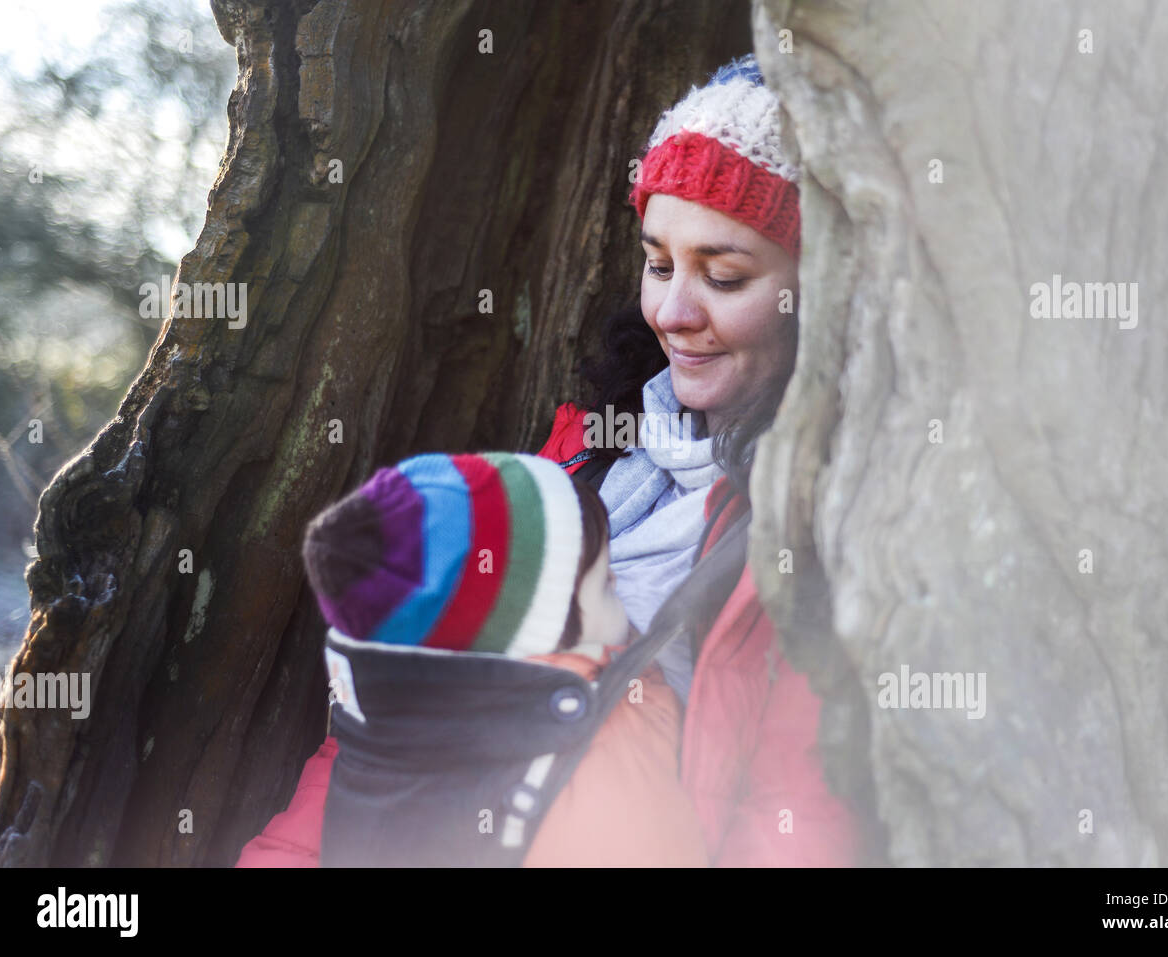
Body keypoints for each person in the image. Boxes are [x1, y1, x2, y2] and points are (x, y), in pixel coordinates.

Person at [238, 52, 866, 867]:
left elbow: (796, 815)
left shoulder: (830, 513)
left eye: (724, 274)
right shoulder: (587, 450)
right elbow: (403, 702)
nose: (673, 312)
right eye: (659, 263)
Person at [237, 451, 708, 867]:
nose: (622, 589)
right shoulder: (595, 782)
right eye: (605, 582)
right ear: (535, 639)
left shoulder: (386, 747)